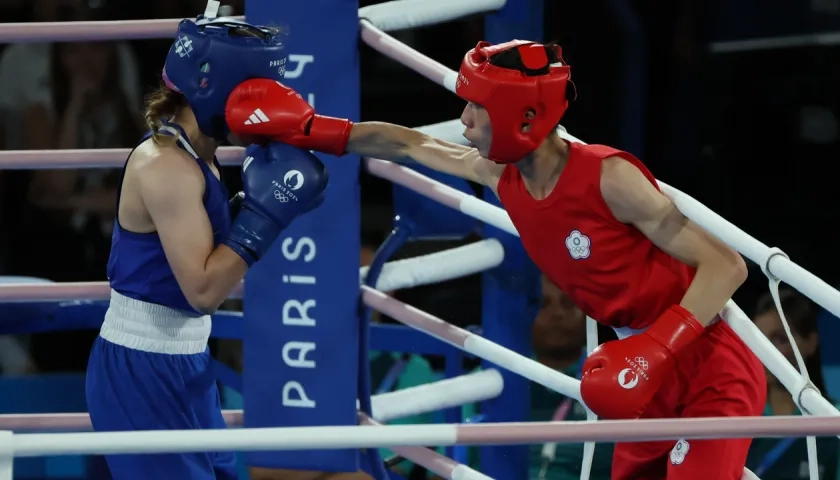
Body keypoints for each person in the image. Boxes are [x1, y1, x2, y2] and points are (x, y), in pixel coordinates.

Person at [223, 39, 766, 479]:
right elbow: (410, 146)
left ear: (517, 116)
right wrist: (313, 128)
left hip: (704, 362)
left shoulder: (609, 177)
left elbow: (728, 266)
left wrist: (657, 347)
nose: (463, 123)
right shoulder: (501, 176)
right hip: (643, 366)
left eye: (475, 109)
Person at [84, 8, 328, 480]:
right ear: (214, 92)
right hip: (143, 369)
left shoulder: (200, 153)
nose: (269, 111)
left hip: (186, 361)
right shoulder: (166, 166)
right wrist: (263, 216)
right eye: (259, 95)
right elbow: (202, 290)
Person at [748, 288, 840, 479]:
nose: (766, 351)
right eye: (759, 339)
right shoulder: (739, 419)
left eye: (780, 339)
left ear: (811, 343)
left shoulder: (832, 421)